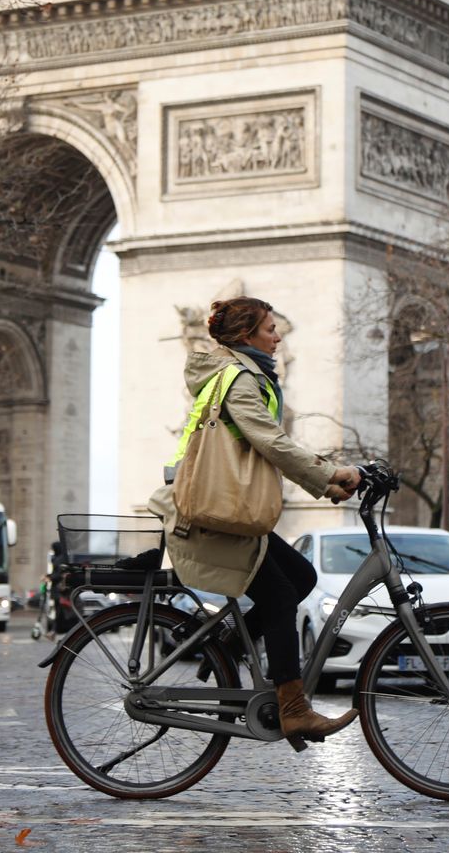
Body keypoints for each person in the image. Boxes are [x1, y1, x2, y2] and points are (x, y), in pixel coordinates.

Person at [161, 296, 362, 746]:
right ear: (245, 336)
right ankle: (294, 709)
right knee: (280, 595)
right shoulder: (237, 379)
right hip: (215, 512)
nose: (279, 335)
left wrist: (328, 485)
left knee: (302, 576)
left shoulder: (242, 375)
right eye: (270, 328)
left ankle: (226, 648)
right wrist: (331, 473)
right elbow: (270, 441)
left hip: (226, 507)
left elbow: (265, 446)